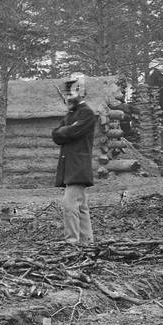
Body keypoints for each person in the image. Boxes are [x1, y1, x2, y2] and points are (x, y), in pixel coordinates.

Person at [52, 75, 97, 248]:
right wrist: (66, 130)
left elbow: (70, 133)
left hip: (78, 167)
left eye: (71, 93)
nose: (68, 98)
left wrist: (65, 131)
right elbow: (56, 135)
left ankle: (72, 242)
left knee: (69, 203)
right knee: (81, 206)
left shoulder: (87, 113)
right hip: (70, 167)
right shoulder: (70, 115)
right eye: (66, 94)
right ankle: (87, 241)